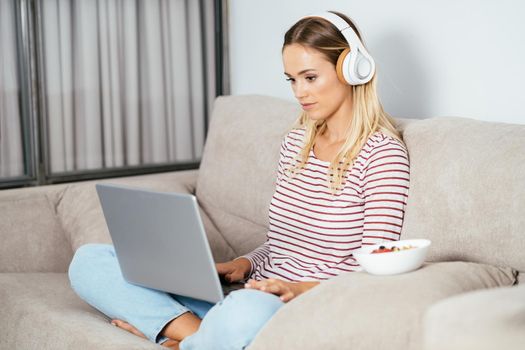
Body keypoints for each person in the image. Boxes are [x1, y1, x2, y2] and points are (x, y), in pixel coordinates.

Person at [68, 10, 410, 350]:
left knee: (246, 312)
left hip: (292, 305)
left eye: (310, 77)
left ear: (352, 69)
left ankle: (179, 334)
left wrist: (298, 289)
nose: (299, 92)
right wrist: (242, 264)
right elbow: (282, 245)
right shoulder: (296, 143)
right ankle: (200, 335)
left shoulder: (381, 154)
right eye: (291, 79)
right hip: (249, 292)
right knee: (90, 262)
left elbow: (372, 271)